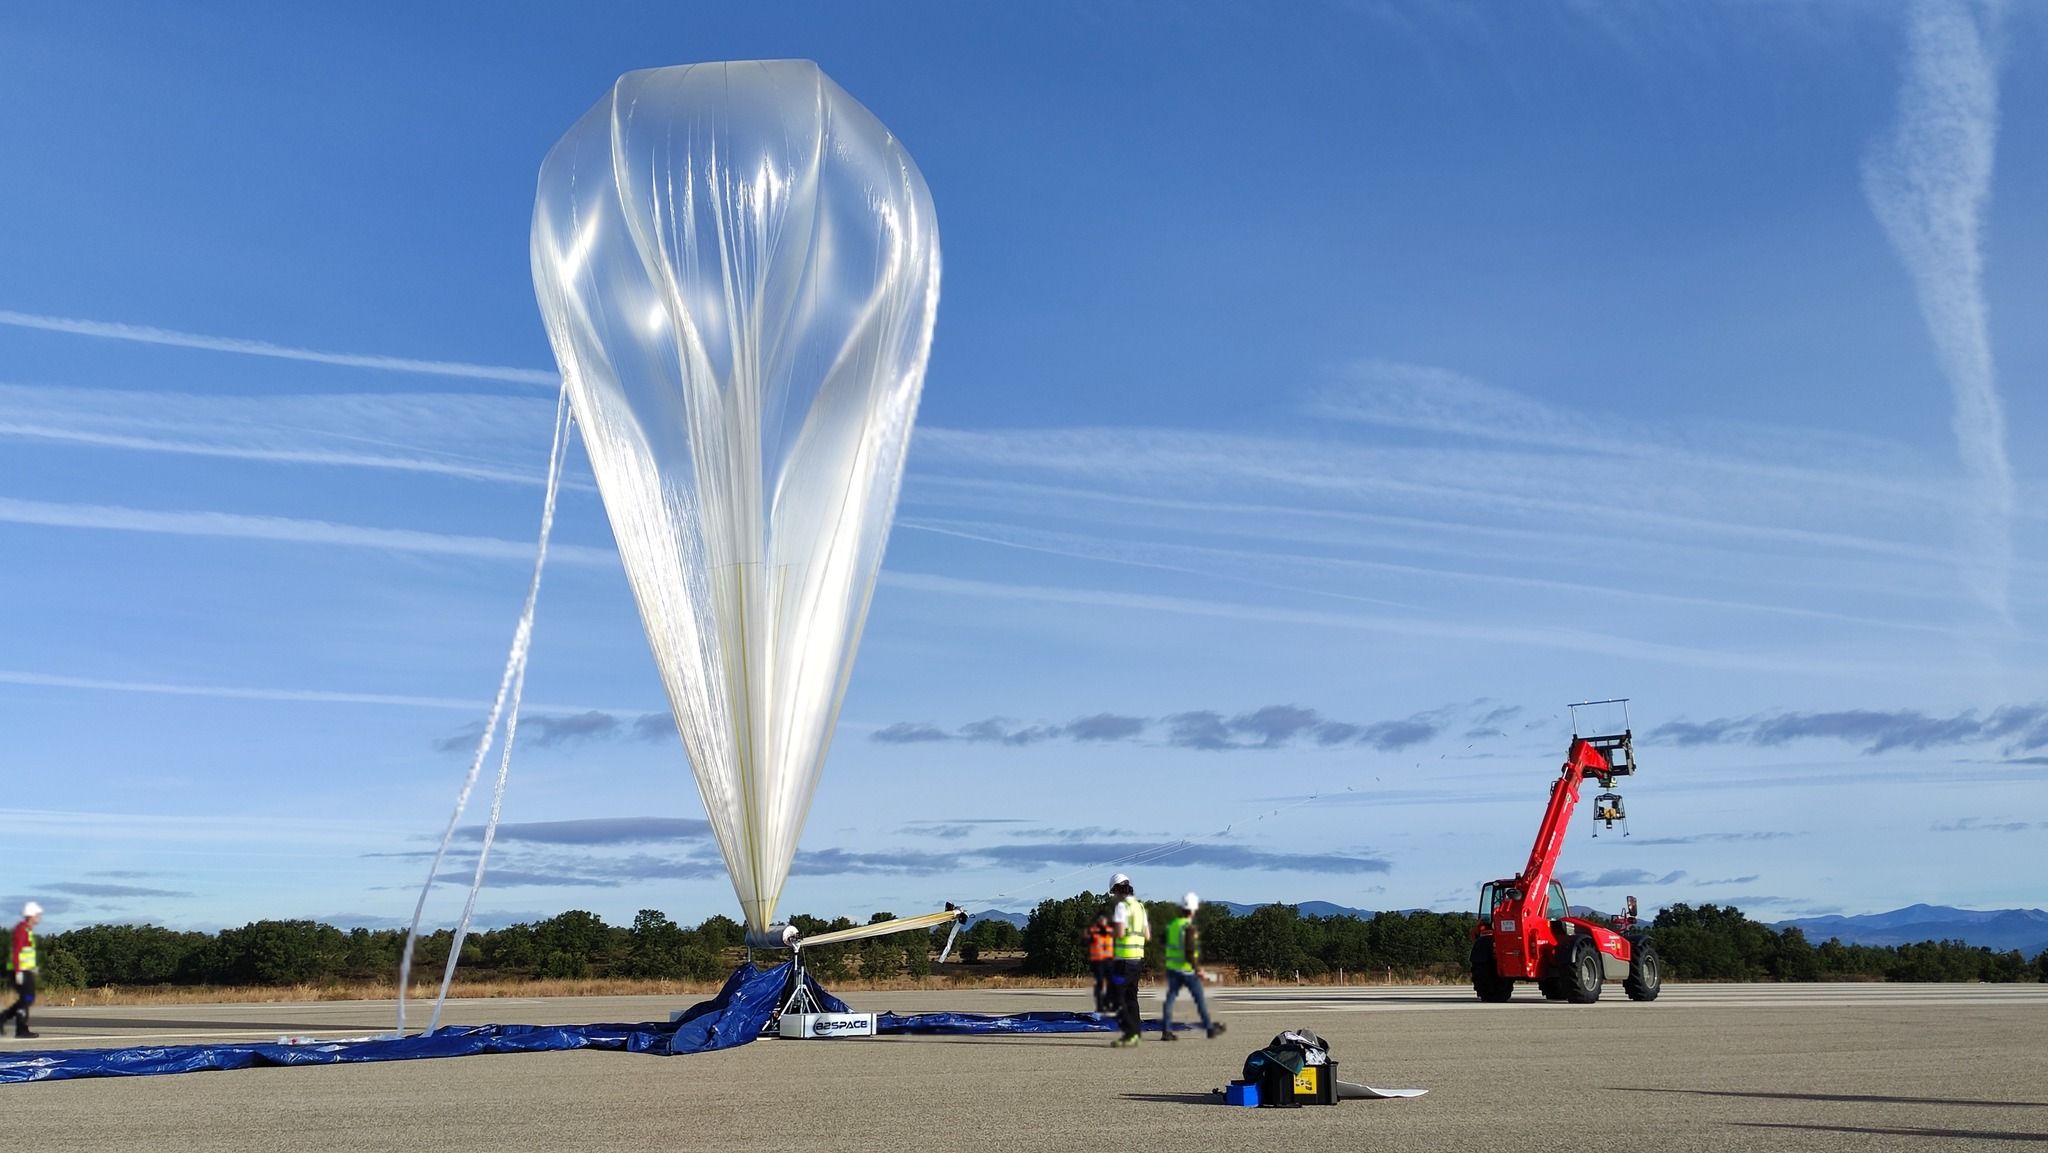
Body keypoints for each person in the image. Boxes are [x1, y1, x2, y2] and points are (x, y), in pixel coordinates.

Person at [1159, 892, 1225, 1040]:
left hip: (1172, 968)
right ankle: (1209, 1028)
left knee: (1170, 999)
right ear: (1193, 910)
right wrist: (1198, 970)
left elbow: (1163, 941)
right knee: (1199, 1000)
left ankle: (1166, 1030)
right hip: (1187, 971)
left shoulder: (1172, 925)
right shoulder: (1188, 927)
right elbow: (1189, 952)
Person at [1106, 873, 1148, 1047]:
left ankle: (1129, 1033)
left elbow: (1120, 932)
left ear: (1116, 889)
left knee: (1118, 997)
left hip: (1123, 959)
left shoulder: (1121, 907)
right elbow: (1147, 934)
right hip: (1137, 958)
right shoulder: (1139, 907)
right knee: (1131, 997)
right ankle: (1135, 1033)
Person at [2, 901, 42, 1039]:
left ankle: (3, 1019)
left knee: (27, 999)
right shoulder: (22, 929)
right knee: (26, 999)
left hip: (26, 970)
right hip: (20, 971)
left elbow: (27, 952)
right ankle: (21, 1029)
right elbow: (17, 951)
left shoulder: (27, 930)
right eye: (38, 914)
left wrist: (33, 967)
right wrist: (18, 971)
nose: (39, 917)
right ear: (31, 915)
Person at [1086, 914, 1116, 1014]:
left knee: (1111, 983)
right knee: (1099, 984)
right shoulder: (1093, 931)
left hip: (1109, 960)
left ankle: (1108, 1003)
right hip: (1098, 961)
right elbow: (1087, 939)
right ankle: (1100, 1006)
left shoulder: (1110, 931)